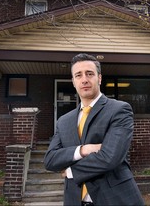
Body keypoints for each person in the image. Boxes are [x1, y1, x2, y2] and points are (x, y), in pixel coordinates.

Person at [44, 53, 144, 206]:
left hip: (115, 199)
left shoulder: (119, 110)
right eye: (78, 75)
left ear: (99, 78)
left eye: (89, 74)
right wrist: (83, 150)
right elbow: (50, 159)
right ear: (73, 81)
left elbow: (110, 157)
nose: (84, 79)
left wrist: (70, 171)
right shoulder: (64, 121)